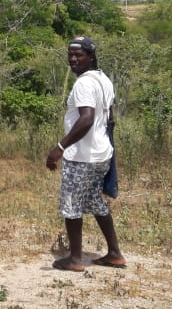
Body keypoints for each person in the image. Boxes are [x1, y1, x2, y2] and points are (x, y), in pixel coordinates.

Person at [45, 37, 127, 272]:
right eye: (70, 54)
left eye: (79, 55)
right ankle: (114, 254)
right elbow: (107, 117)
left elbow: (87, 119)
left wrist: (59, 148)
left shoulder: (83, 84)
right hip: (101, 153)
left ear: (91, 57)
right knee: (94, 201)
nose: (73, 59)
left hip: (82, 156)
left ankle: (74, 259)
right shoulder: (103, 79)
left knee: (71, 204)